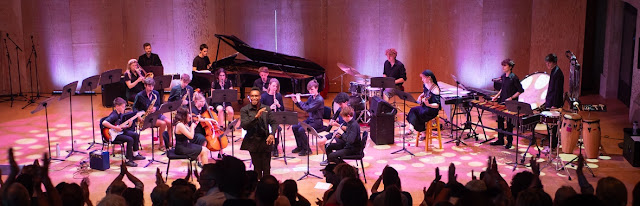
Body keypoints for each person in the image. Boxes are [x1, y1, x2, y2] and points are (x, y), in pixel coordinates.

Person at [241, 87, 277, 179]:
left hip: (265, 141)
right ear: (249, 97)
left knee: (266, 168)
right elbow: (245, 125)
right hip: (252, 141)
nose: (254, 98)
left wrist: (272, 134)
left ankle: (267, 188)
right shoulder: (245, 110)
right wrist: (256, 117)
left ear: (260, 97)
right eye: (252, 96)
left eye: (256, 96)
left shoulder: (267, 109)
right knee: (257, 168)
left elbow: (274, 122)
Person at [490, 59, 524, 149]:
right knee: (500, 120)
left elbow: (520, 90)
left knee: (509, 123)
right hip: (502, 100)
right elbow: (502, 88)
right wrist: (496, 96)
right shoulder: (504, 76)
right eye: (503, 65)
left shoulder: (514, 78)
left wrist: (512, 98)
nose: (503, 67)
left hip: (510, 103)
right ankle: (500, 139)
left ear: (510, 67)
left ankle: (509, 141)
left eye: (505, 65)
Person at [102, 97, 146, 167]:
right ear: (117, 106)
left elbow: (120, 126)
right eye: (123, 107)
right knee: (130, 139)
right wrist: (115, 127)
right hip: (113, 135)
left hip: (118, 132)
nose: (124, 108)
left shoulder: (120, 114)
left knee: (135, 135)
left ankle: (135, 154)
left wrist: (128, 126)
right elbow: (104, 122)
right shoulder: (114, 115)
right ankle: (128, 160)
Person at [133, 77, 172, 150]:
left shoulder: (156, 93)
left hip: (156, 114)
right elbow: (134, 108)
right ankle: (161, 144)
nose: (151, 88)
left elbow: (159, 105)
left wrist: (155, 108)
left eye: (152, 86)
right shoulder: (139, 95)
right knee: (163, 124)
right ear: (145, 85)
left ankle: (169, 141)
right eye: (149, 86)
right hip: (146, 117)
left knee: (169, 122)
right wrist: (138, 115)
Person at [290, 79, 325, 156]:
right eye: (309, 90)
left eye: (312, 89)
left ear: (317, 88)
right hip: (310, 120)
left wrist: (299, 100)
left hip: (317, 122)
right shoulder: (311, 98)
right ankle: (300, 146)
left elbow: (308, 108)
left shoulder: (319, 99)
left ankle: (307, 149)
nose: (310, 92)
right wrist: (296, 101)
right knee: (295, 127)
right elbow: (304, 107)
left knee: (301, 130)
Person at [407, 70, 441, 140]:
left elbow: (437, 105)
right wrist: (420, 96)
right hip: (426, 107)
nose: (422, 80)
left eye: (423, 78)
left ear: (429, 78)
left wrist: (428, 104)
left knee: (419, 114)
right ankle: (414, 128)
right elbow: (425, 92)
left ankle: (421, 131)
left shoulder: (436, 89)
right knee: (413, 110)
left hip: (432, 110)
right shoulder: (425, 84)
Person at [260, 78, 284, 157]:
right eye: (273, 86)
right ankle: (267, 145)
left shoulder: (278, 95)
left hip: (275, 118)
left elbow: (283, 109)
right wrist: (269, 108)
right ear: (269, 85)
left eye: (276, 86)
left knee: (277, 128)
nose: (275, 88)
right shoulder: (264, 96)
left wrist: (278, 105)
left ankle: (275, 147)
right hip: (265, 119)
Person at [545, 53, 564, 150]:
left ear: (554, 63)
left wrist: (554, 105)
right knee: (549, 125)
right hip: (551, 102)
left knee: (552, 125)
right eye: (546, 63)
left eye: (549, 63)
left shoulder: (558, 73)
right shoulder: (554, 71)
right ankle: (551, 144)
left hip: (554, 103)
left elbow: (557, 91)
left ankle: (552, 145)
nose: (547, 65)